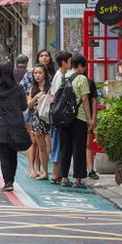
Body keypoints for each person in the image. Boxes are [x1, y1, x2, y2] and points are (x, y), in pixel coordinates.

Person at [0, 61, 28, 191]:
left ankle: (7, 182)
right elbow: (24, 107)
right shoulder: (19, 89)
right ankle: (11, 180)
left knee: (4, 156)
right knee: (13, 154)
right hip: (15, 125)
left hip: (0, 126)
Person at [61, 54, 94, 188]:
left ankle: (63, 178)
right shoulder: (82, 78)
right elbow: (85, 99)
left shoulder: (65, 76)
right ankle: (77, 179)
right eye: (84, 66)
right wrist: (89, 118)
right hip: (79, 117)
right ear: (80, 65)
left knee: (66, 148)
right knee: (79, 148)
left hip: (65, 117)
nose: (84, 69)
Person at [49, 50, 73, 184]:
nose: (71, 64)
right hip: (58, 116)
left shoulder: (62, 75)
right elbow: (58, 98)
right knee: (57, 144)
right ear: (63, 63)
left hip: (57, 115)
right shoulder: (60, 77)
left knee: (57, 143)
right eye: (69, 62)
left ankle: (56, 174)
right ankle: (55, 175)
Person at [26, 64, 51, 180]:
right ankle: (43, 171)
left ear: (45, 74)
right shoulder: (33, 88)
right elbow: (28, 105)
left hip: (50, 118)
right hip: (38, 118)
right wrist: (36, 97)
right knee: (41, 146)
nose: (37, 75)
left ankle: (52, 171)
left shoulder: (51, 87)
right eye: (35, 73)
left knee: (50, 146)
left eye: (40, 73)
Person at [87, 76, 100, 179]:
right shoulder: (69, 80)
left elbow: (94, 100)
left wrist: (93, 118)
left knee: (88, 144)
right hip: (74, 118)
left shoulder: (90, 82)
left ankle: (91, 169)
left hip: (88, 118)